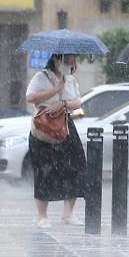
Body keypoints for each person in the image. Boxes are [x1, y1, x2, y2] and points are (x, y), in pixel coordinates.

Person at [26, 54, 85, 229]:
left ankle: (68, 212)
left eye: (73, 60)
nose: (71, 64)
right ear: (57, 60)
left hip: (65, 124)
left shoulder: (71, 80)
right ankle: (42, 216)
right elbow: (30, 97)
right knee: (44, 169)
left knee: (76, 164)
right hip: (45, 125)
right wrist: (55, 90)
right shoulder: (42, 77)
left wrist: (63, 104)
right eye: (67, 60)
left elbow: (78, 102)